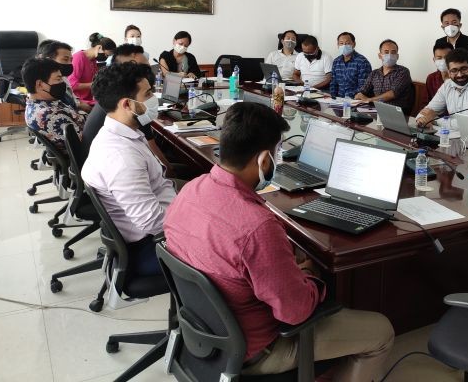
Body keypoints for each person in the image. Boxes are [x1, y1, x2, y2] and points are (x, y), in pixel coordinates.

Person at [164, 102, 394, 380]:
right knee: (381, 330)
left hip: (206, 333)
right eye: (276, 153)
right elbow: (296, 312)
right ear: (263, 160)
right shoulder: (256, 227)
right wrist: (309, 274)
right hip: (259, 349)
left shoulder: (191, 189)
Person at [82, 62, 177, 276]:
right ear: (127, 104)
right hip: (153, 245)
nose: (155, 99)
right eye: (149, 94)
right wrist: (198, 217)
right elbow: (152, 222)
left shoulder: (120, 131)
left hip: (161, 220)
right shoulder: (121, 157)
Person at [81, 44, 173, 173]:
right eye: (143, 68)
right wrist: (170, 171)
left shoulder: (112, 97)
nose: (146, 73)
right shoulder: (132, 113)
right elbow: (157, 158)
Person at [22, 58, 86, 150]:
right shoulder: (49, 115)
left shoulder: (44, 102)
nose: (62, 83)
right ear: (40, 84)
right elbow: (82, 144)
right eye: (58, 79)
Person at [356, 39, 414, 113]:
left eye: (393, 52)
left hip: (395, 112)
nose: (389, 55)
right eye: (386, 52)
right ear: (380, 56)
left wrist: (369, 100)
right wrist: (360, 95)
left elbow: (392, 94)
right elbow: (363, 91)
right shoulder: (374, 73)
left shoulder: (403, 72)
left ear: (397, 56)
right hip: (375, 110)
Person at [38, 40, 92, 113]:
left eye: (71, 60)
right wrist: (79, 106)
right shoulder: (45, 84)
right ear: (48, 60)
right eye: (65, 59)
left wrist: (79, 104)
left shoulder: (64, 78)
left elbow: (72, 98)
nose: (69, 63)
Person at [67, 33, 116, 106]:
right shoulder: (79, 58)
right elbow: (72, 85)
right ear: (99, 47)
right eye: (106, 55)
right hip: (80, 102)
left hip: (91, 100)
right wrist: (94, 84)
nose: (106, 57)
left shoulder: (93, 61)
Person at [435, 8, 468, 75]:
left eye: (454, 22)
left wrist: (465, 82)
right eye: (447, 23)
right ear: (442, 27)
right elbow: (439, 64)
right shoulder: (439, 42)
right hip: (444, 81)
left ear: (460, 25)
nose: (450, 26)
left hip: (466, 82)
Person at [329, 32, 372, 99]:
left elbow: (364, 87)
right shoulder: (336, 61)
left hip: (355, 101)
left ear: (354, 44)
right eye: (341, 43)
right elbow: (333, 83)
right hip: (338, 101)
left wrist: (348, 98)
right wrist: (333, 98)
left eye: (347, 43)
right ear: (337, 45)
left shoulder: (362, 62)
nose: (344, 46)